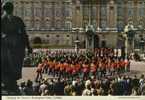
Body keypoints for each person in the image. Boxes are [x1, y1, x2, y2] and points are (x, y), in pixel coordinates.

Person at [1, 2, 32, 95]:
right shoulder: (16, 20)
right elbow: (24, 35)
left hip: (13, 48)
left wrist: (28, 46)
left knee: (13, 67)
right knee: (8, 66)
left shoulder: (17, 20)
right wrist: (28, 46)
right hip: (8, 47)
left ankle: (11, 83)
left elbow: (24, 34)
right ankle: (8, 83)